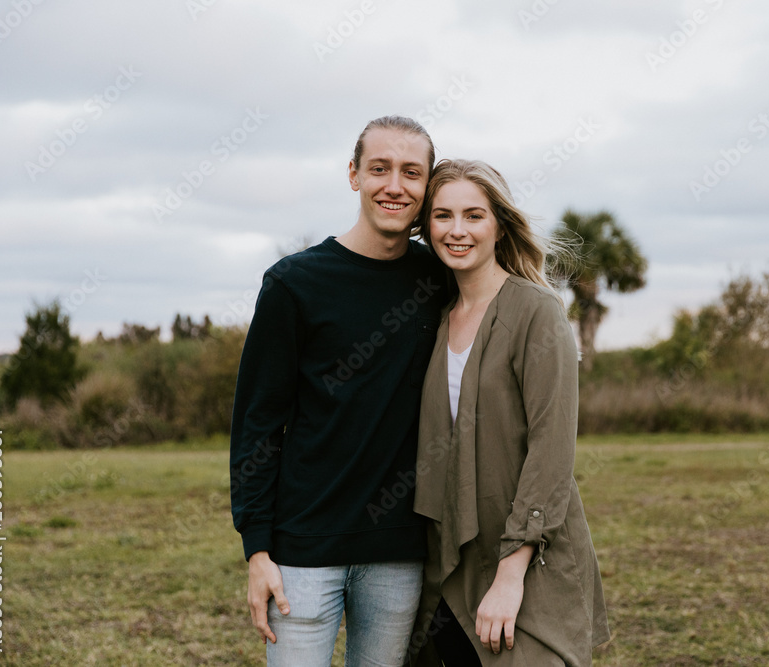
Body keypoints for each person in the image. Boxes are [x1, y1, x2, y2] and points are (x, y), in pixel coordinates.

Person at [229, 115, 451, 666]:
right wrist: (257, 548)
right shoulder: (294, 283)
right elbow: (257, 422)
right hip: (301, 551)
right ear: (354, 175)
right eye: (379, 169)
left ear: (427, 189)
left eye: (411, 173)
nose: (394, 185)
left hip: (398, 552)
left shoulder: (440, 280)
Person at [408, 159, 609, 665]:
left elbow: (552, 449)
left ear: (499, 224)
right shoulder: (433, 317)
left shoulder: (537, 312)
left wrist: (510, 574)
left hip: (525, 559)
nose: (457, 230)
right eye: (442, 216)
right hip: (448, 560)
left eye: (474, 216)